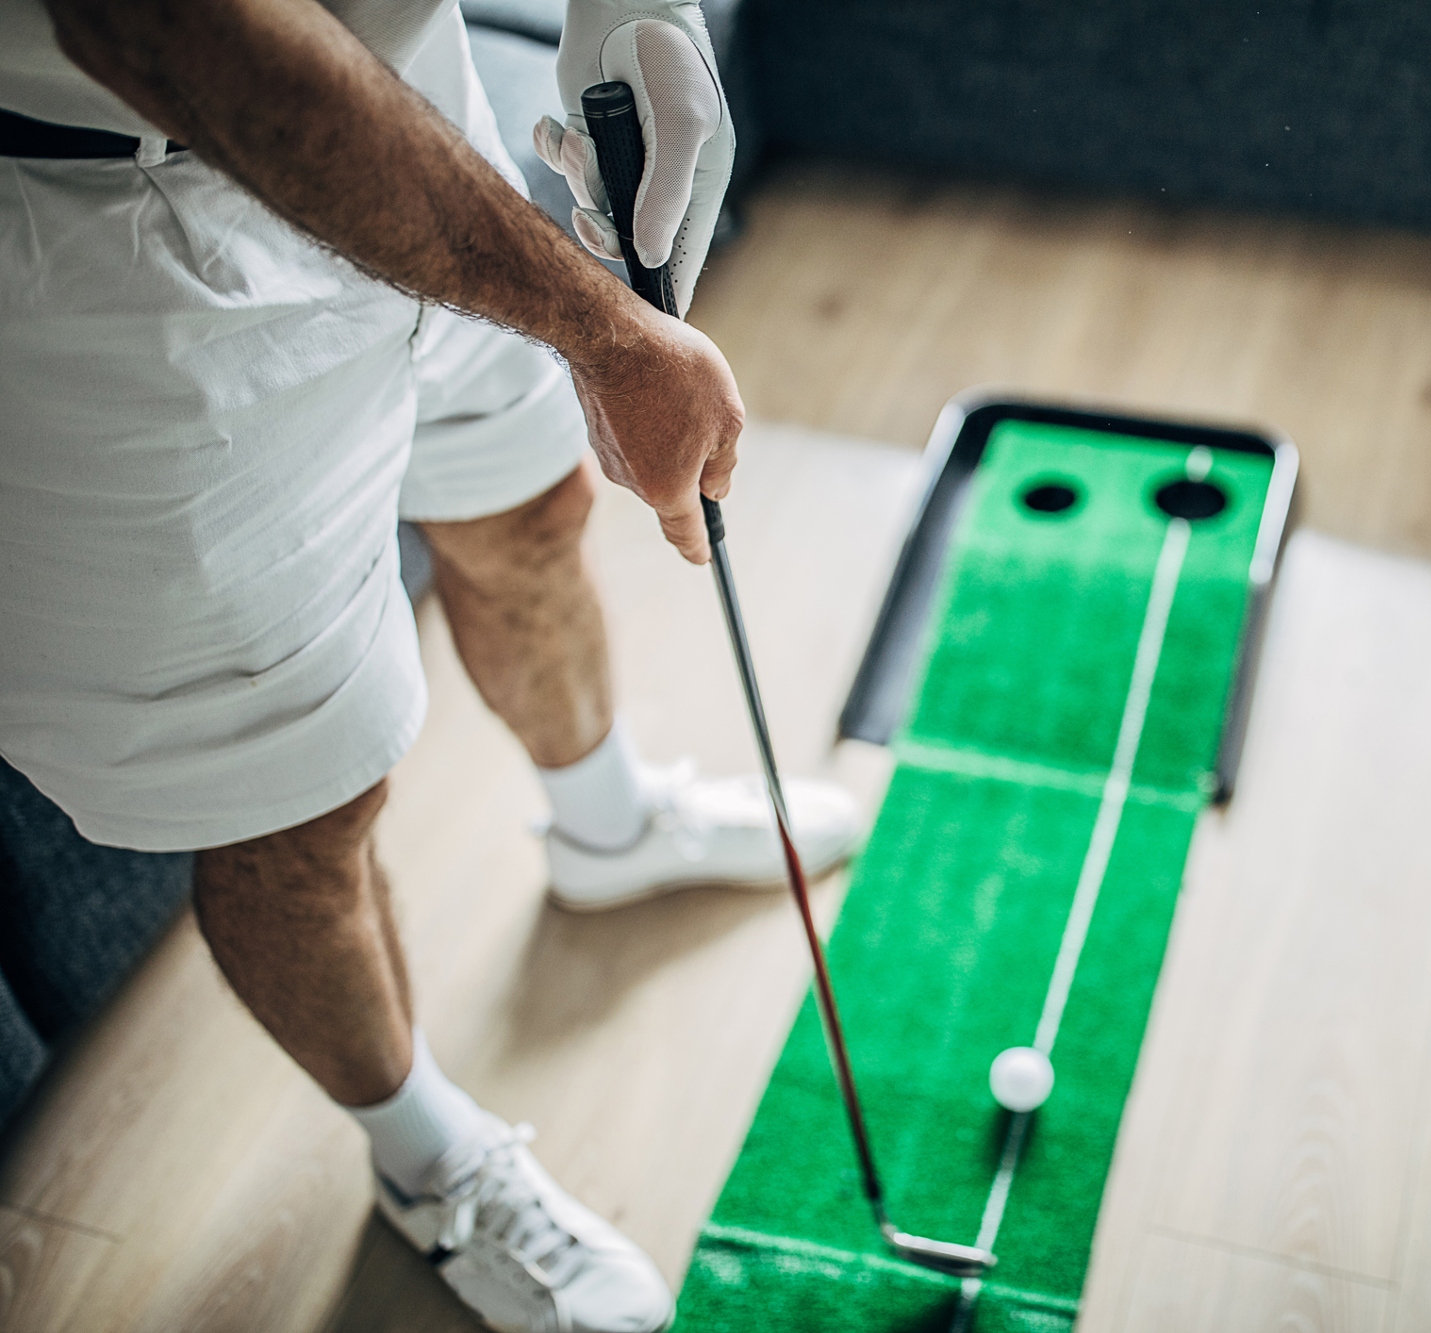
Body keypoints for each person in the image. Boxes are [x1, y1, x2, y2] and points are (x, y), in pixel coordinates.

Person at [0, 1, 860, 1329]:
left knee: (531, 508)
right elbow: (174, 28)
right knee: (296, 808)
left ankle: (607, 824)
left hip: (409, 105)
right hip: (105, 235)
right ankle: (423, 1158)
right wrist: (609, 334)